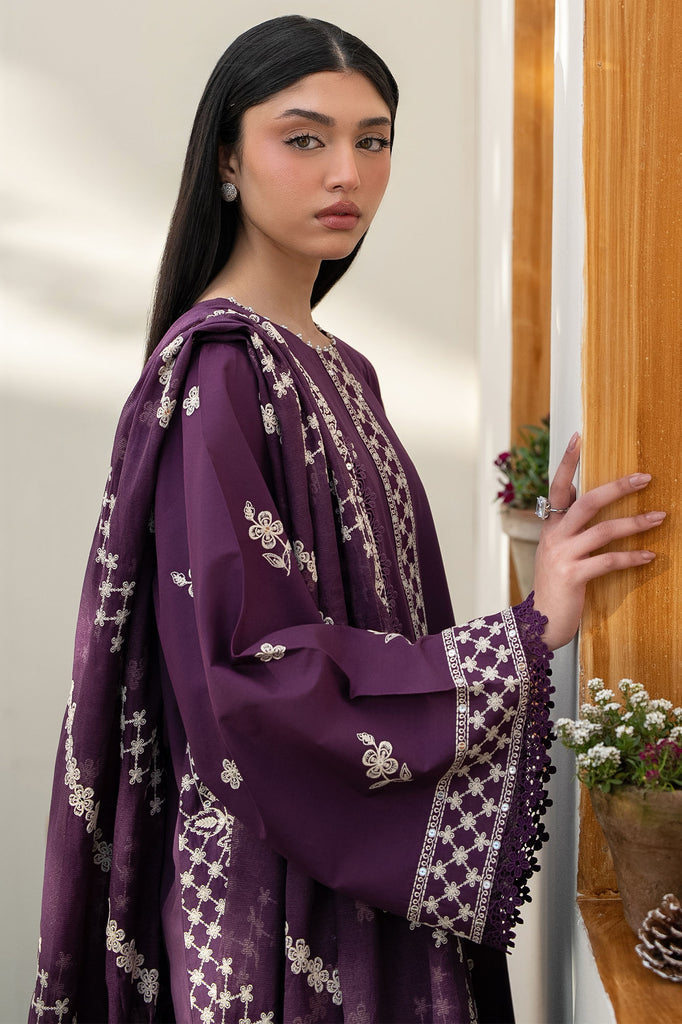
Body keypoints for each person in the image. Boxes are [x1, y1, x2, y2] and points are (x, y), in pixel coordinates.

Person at [29, 15, 664, 1024]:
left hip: (348, 880)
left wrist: (539, 587)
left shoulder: (336, 366)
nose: (347, 174)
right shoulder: (220, 373)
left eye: (373, 141)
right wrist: (522, 635)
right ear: (227, 160)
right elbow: (251, 679)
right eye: (304, 138)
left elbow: (375, 623)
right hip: (271, 898)